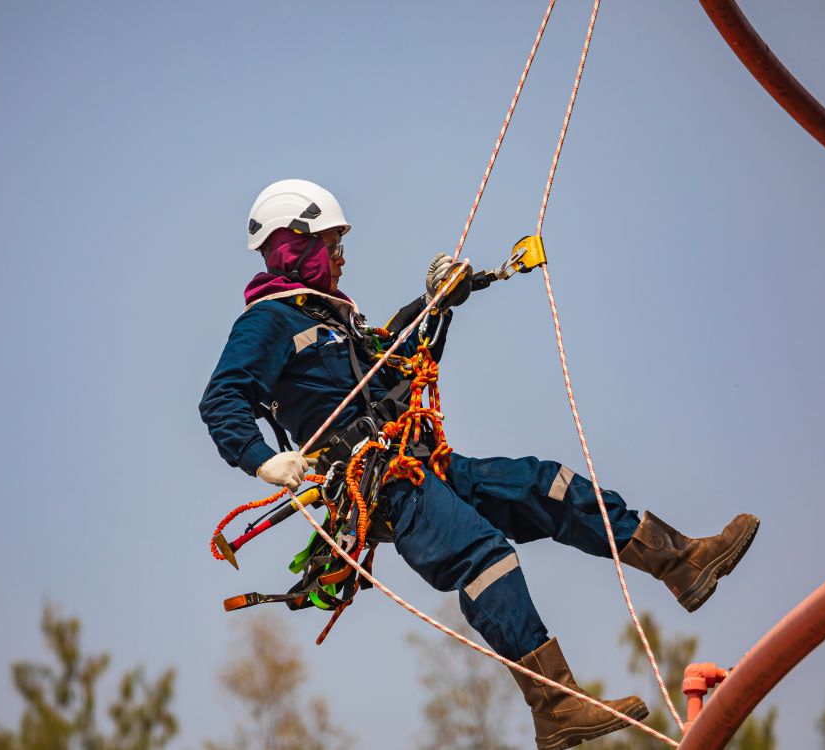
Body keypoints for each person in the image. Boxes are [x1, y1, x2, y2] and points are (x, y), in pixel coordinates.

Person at [199, 179, 760, 750]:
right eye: (332, 246)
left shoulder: (332, 317)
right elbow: (222, 399)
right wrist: (265, 462)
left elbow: (387, 359)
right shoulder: (266, 323)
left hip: (422, 464)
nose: (341, 261)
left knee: (544, 486)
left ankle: (681, 562)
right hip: (386, 486)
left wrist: (434, 301)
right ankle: (555, 702)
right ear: (296, 246)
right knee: (485, 557)